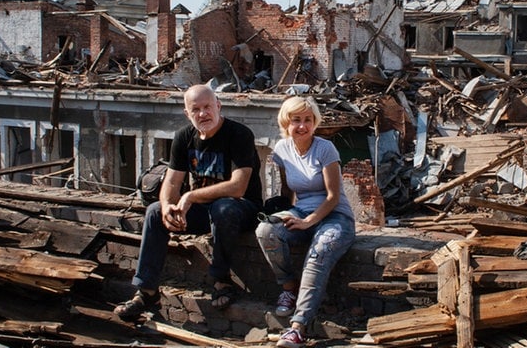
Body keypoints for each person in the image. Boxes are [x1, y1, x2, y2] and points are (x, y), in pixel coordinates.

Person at [114, 84, 263, 321]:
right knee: (153, 212)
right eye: (196, 109)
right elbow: (172, 183)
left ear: (218, 106)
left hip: (242, 208)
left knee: (223, 208)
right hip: (205, 210)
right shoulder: (184, 137)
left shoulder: (239, 135)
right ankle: (147, 290)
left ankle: (221, 280)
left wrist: (190, 196)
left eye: (207, 107)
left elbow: (238, 187)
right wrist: (166, 206)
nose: (203, 114)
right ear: (187, 113)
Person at [255, 96, 356, 348]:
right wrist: (284, 216)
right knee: (266, 230)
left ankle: (298, 327)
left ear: (315, 123)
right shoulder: (282, 150)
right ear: (286, 122)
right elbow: (287, 191)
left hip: (336, 217)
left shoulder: (325, 149)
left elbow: (333, 197)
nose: (302, 126)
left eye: (308, 120)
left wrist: (309, 222)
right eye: (296, 120)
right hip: (301, 212)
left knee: (318, 252)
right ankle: (288, 288)